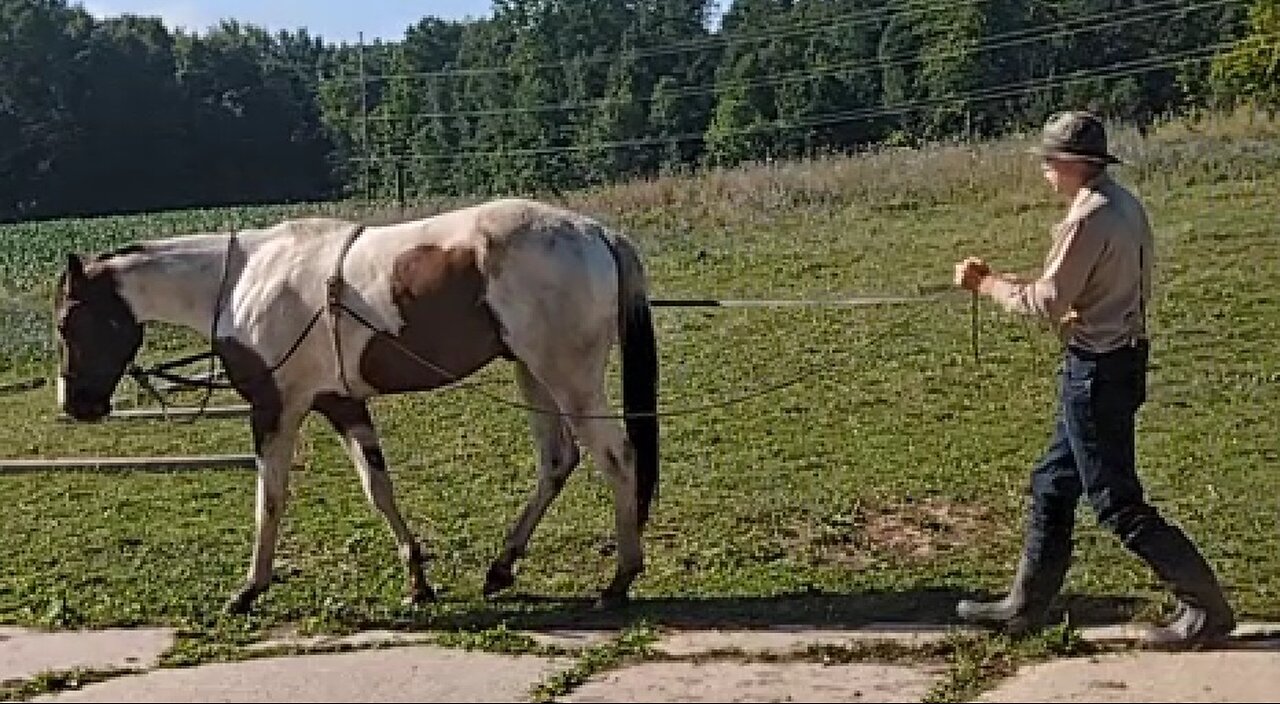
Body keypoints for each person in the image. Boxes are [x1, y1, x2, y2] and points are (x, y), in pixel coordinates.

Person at [951, 111, 1236, 646]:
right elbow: (1104, 286)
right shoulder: (1124, 206)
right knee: (1053, 485)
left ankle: (1206, 609)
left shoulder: (1088, 217)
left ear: (1070, 164)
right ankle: (1024, 608)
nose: (1044, 173)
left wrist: (986, 284)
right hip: (1118, 358)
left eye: (1048, 164)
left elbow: (1046, 302)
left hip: (1097, 373)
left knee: (1116, 503)